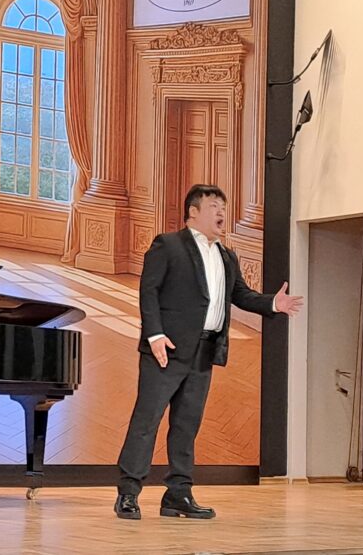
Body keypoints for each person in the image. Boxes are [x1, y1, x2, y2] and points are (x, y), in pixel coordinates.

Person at [114, 185, 303, 520]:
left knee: (187, 425)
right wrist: (155, 334)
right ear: (193, 211)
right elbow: (149, 290)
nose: (221, 213)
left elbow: (241, 295)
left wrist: (273, 303)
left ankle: (178, 494)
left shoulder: (227, 256)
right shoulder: (168, 245)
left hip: (204, 351)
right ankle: (128, 493)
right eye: (214, 206)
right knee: (147, 420)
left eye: (223, 207)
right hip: (166, 350)